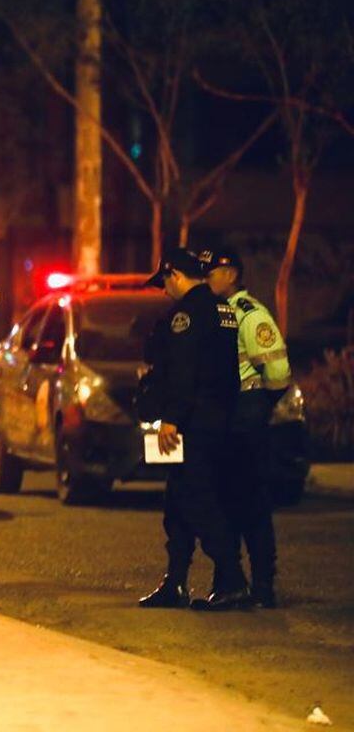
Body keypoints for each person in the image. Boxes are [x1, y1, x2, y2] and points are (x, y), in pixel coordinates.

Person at [137, 247, 249, 611]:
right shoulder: (223, 310)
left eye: (164, 282)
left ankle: (231, 579)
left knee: (197, 501)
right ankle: (175, 583)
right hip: (220, 421)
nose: (164, 290)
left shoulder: (186, 314)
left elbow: (185, 373)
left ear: (175, 275)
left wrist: (171, 418)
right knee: (181, 502)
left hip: (192, 426)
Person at [201, 246, 291, 608]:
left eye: (213, 272)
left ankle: (263, 584)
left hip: (246, 411)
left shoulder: (249, 314)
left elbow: (279, 373)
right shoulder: (217, 313)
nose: (208, 278)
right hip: (228, 414)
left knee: (250, 500)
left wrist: (257, 408)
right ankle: (231, 582)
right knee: (227, 499)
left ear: (232, 274)